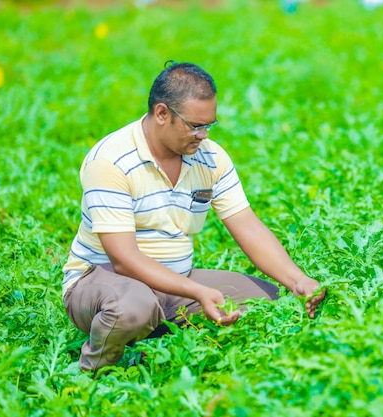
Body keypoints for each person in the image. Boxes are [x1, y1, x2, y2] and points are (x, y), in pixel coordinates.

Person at [62, 61, 326, 372]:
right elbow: (123, 259)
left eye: (209, 126)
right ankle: (92, 372)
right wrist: (197, 292)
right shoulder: (111, 161)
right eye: (195, 126)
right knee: (132, 307)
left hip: (176, 282)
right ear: (162, 114)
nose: (203, 135)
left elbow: (248, 227)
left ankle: (156, 349)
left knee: (266, 299)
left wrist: (297, 280)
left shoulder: (210, 158)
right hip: (103, 279)